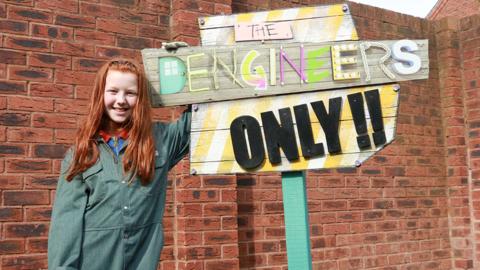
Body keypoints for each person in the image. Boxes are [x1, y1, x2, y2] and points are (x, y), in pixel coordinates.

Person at [48, 58, 190, 270]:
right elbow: (65, 224)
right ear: (100, 94)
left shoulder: (161, 139)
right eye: (113, 91)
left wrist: (186, 64)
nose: (121, 100)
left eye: (130, 93)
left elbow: (199, 119)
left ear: (140, 98)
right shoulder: (81, 155)